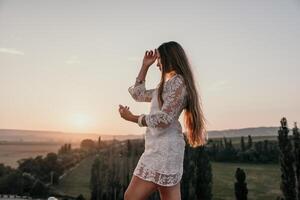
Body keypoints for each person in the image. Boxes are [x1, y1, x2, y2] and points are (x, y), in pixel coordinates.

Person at [118, 41, 207, 200]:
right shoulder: (167, 85)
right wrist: (145, 66)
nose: (157, 63)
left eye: (159, 59)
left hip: (165, 149)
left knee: (130, 197)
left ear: (169, 58)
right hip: (158, 147)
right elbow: (138, 94)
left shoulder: (178, 83)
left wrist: (133, 118)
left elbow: (164, 118)